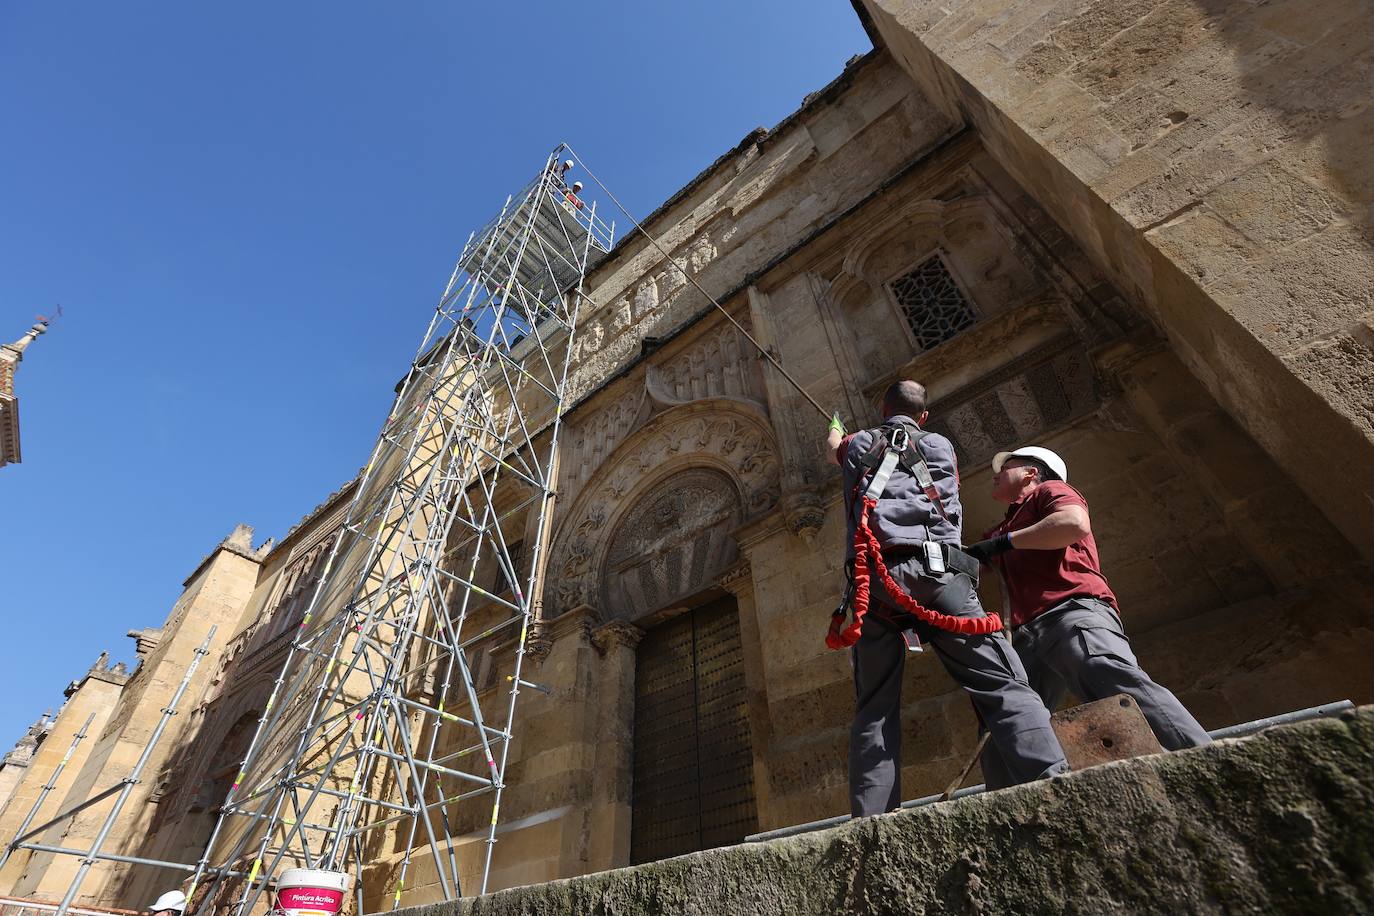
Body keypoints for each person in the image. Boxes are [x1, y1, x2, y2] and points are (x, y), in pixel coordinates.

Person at [827, 381, 1068, 817]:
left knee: (874, 706)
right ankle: (1053, 779)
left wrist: (837, 426)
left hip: (875, 584)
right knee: (1001, 683)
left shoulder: (859, 443)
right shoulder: (939, 444)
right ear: (922, 416)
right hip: (940, 575)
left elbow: (836, 449)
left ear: (883, 410)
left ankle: (871, 822)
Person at [964, 446, 1212, 788]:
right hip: (1024, 634)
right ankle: (1015, 805)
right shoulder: (1001, 527)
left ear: (1032, 473)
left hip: (1072, 612)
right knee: (1006, 716)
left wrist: (1006, 543)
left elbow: (1071, 523)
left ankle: (1202, 761)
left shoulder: (1050, 492)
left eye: (1005, 466)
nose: (995, 474)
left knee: (1105, 673)